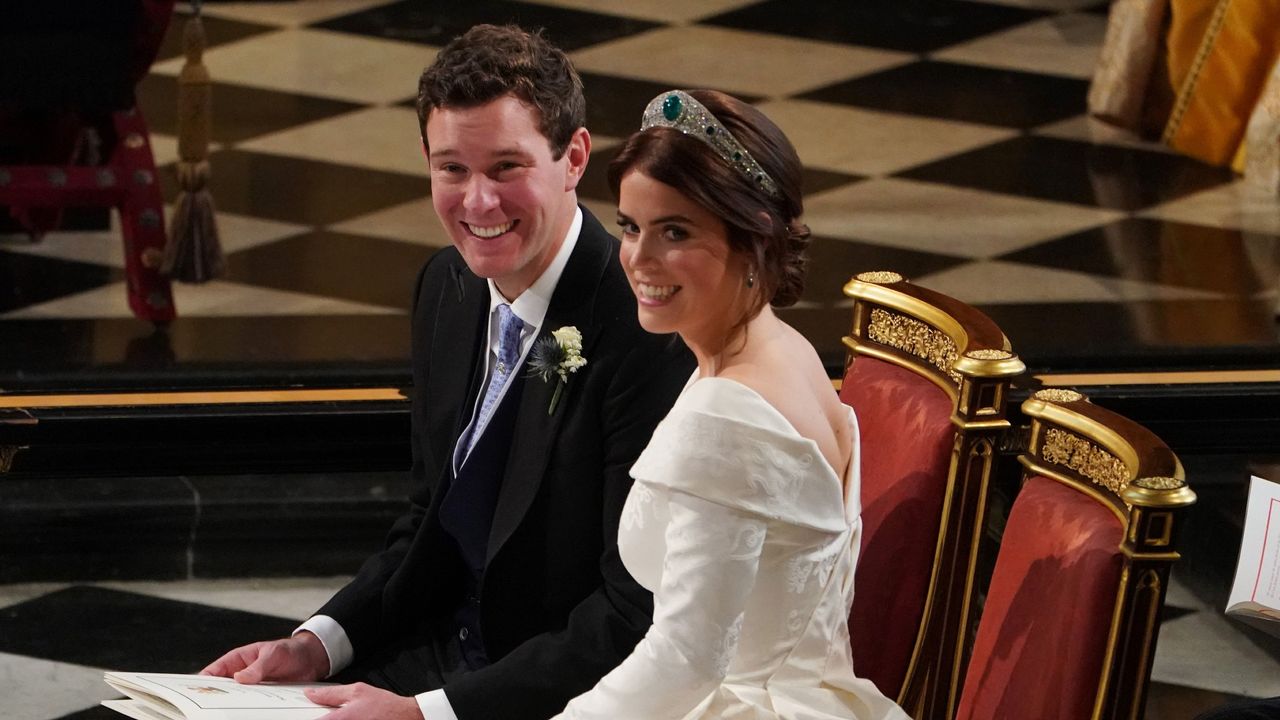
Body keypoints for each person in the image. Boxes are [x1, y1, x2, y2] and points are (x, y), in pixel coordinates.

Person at [200, 24, 693, 720]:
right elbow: (429, 521)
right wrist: (319, 643)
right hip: (433, 659)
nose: (477, 203)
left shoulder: (645, 328)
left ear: (574, 157)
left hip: (555, 696)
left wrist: (432, 712)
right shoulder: (445, 288)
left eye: (505, 168)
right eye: (452, 169)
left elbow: (628, 613)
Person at [552, 89, 909, 720]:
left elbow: (686, 659)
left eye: (676, 232)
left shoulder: (727, 418)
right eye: (631, 228)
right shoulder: (785, 351)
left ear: (753, 239)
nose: (638, 258)